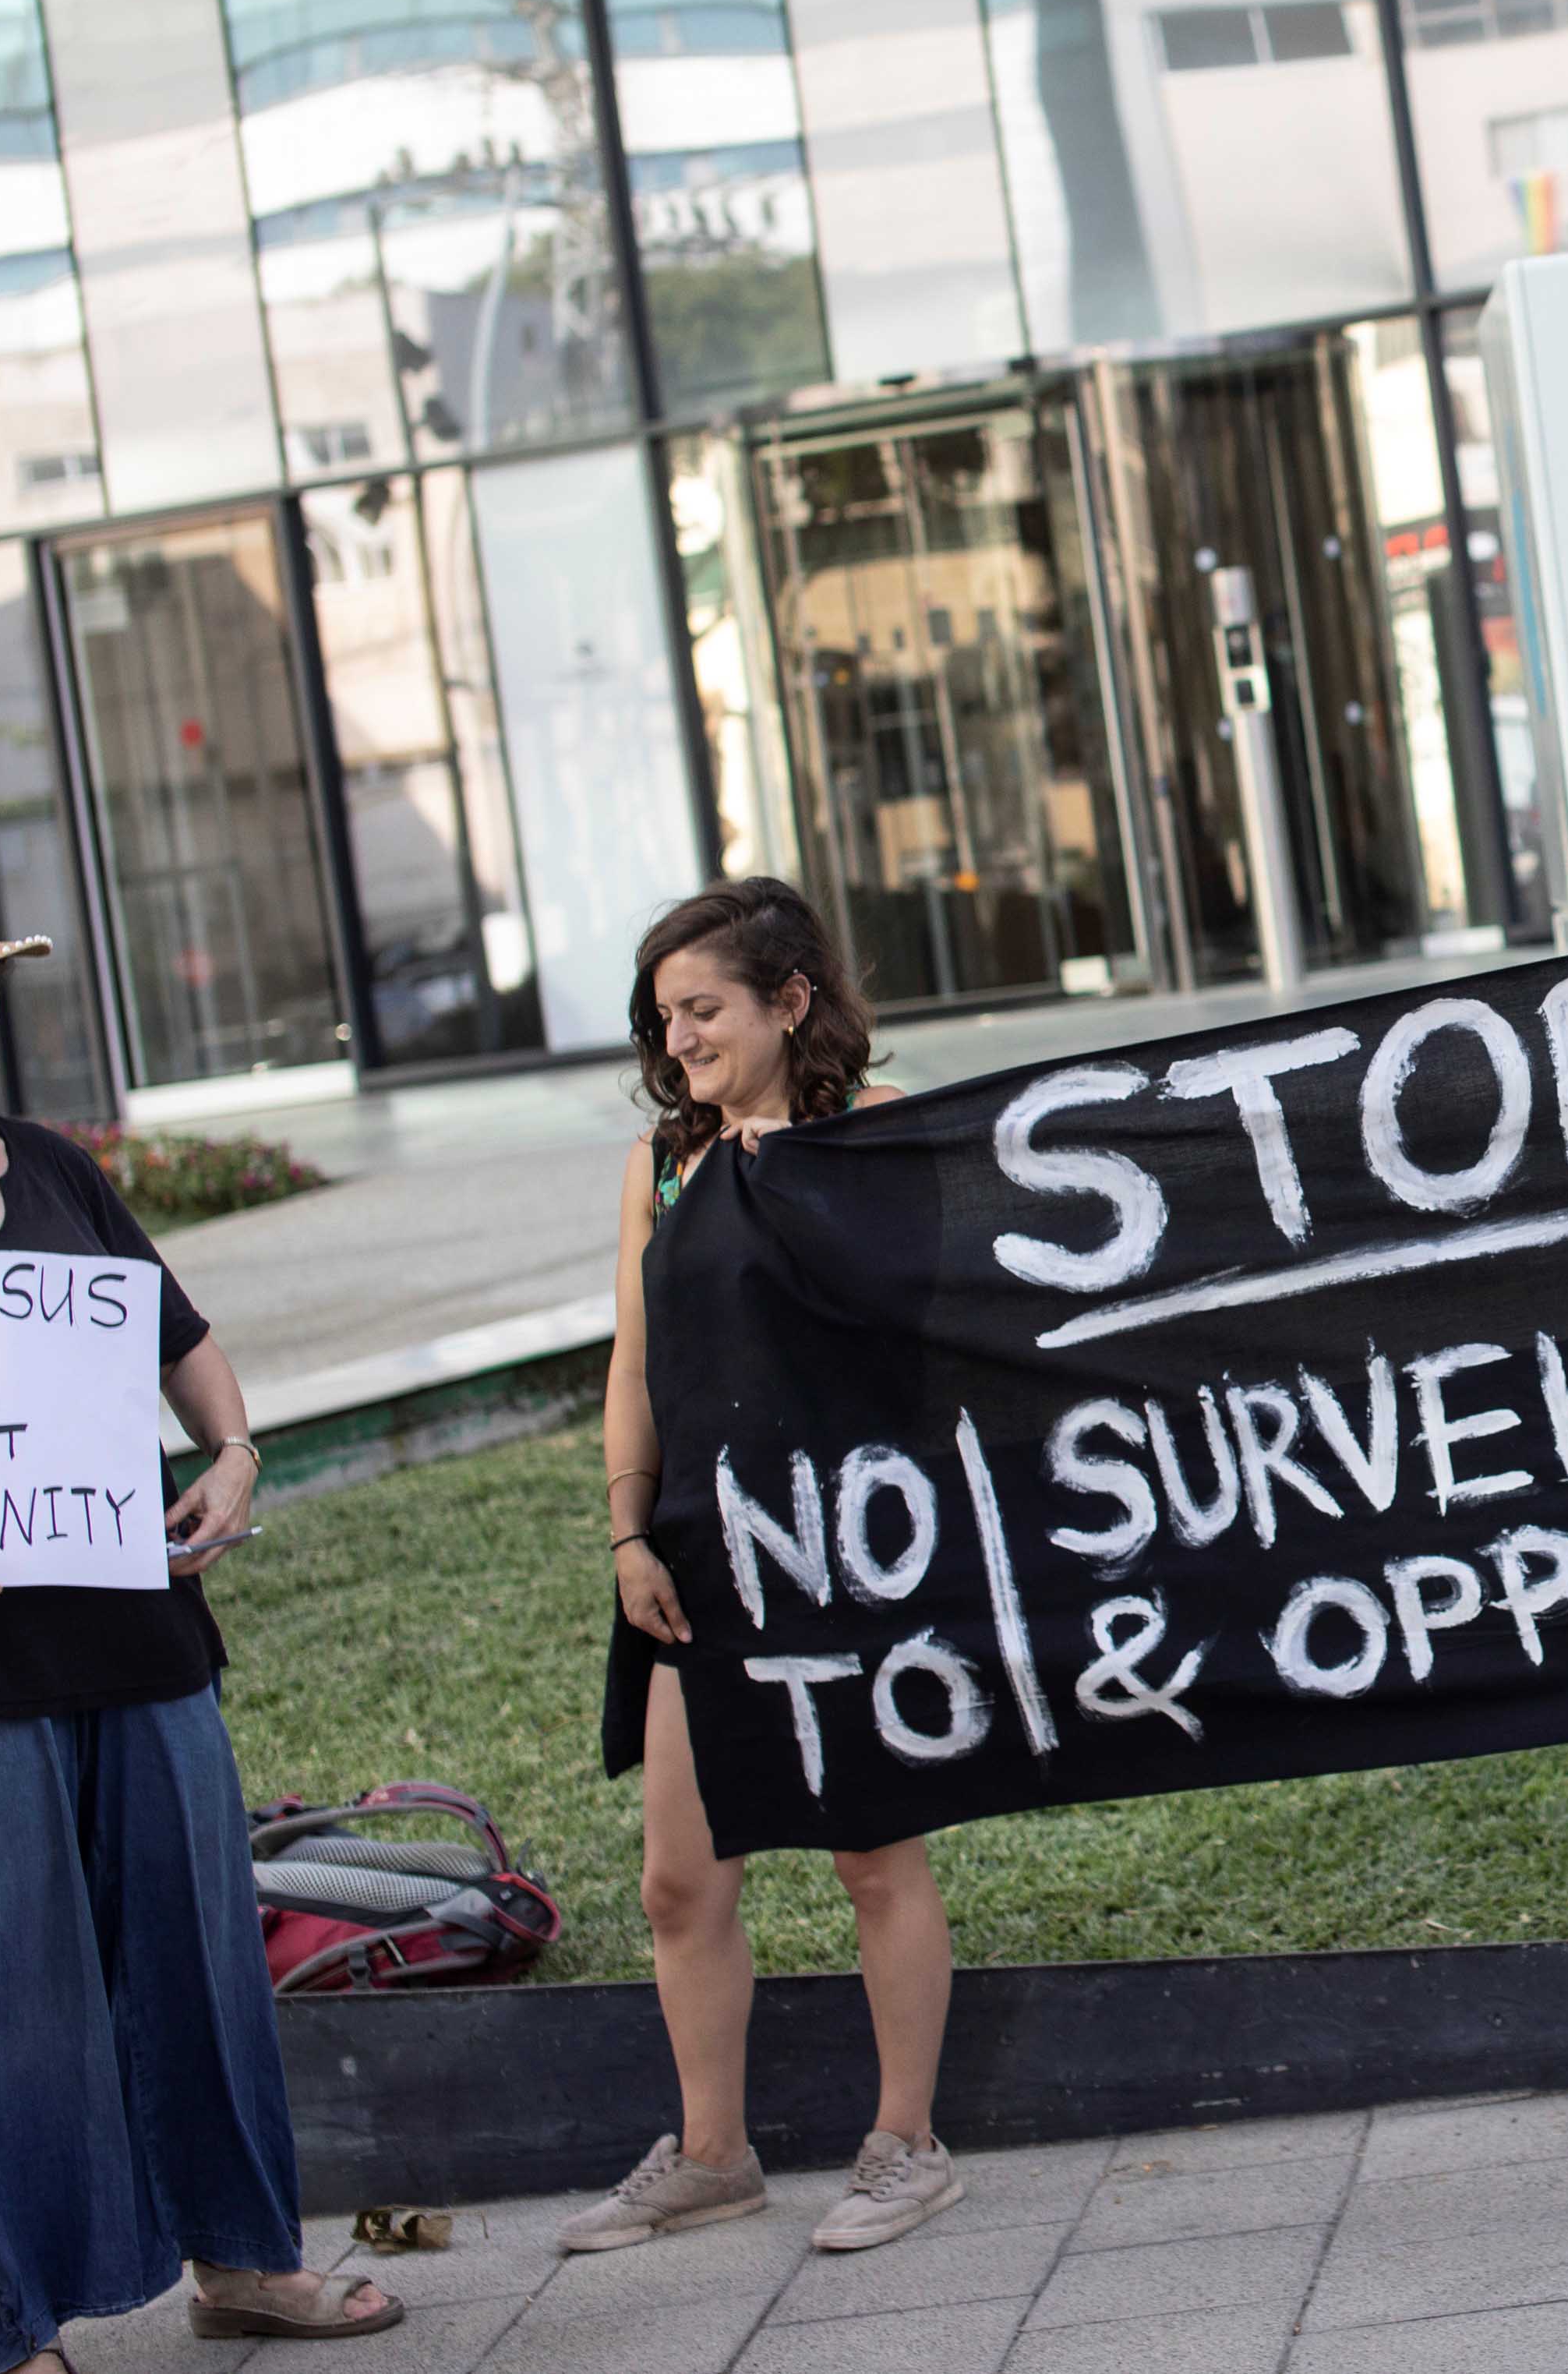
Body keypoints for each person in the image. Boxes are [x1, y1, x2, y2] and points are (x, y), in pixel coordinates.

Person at [0, 869, 397, 2373]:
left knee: (201, 1968)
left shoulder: (51, 1167)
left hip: (139, 1643)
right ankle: (16, 2330)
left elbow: (180, 1337)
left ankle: (246, 2261)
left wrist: (235, 1452)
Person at [574, 878, 965, 2256]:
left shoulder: (877, 1134)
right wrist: (628, 1532)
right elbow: (635, 1365)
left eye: (705, 1010)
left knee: (873, 1858)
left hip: (844, 1550)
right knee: (680, 1881)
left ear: (791, 1001)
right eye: (664, 1018)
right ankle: (712, 2156)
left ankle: (908, 2144)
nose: (679, 1039)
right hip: (697, 1555)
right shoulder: (662, 1165)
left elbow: (928, 1334)